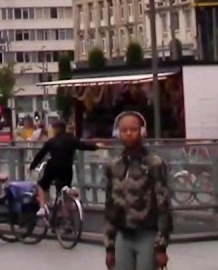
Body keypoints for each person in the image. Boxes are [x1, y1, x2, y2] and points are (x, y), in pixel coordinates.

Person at [104, 111, 172, 270]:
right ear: (118, 133)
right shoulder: (113, 165)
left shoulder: (154, 164)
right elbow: (110, 207)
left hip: (147, 234)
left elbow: (164, 205)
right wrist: (109, 246)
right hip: (123, 234)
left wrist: (161, 246)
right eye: (124, 130)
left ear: (142, 132)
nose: (128, 134)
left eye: (133, 130)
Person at [30, 119, 104, 215]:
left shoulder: (51, 141)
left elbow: (40, 155)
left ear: (55, 129)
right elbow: (83, 145)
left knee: (41, 185)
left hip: (52, 167)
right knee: (64, 190)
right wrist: (96, 146)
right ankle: (66, 216)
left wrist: (32, 166)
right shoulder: (71, 139)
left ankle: (42, 208)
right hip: (66, 168)